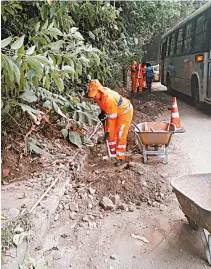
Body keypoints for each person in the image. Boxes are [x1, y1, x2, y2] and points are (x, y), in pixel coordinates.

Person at [88, 79, 133, 167]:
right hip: (113, 113)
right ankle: (112, 154)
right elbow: (105, 109)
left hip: (124, 112)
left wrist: (107, 131)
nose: (93, 97)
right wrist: (103, 113)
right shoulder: (98, 97)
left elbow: (111, 119)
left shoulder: (109, 99)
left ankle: (120, 157)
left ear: (99, 91)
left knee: (120, 134)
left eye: (94, 94)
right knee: (111, 135)